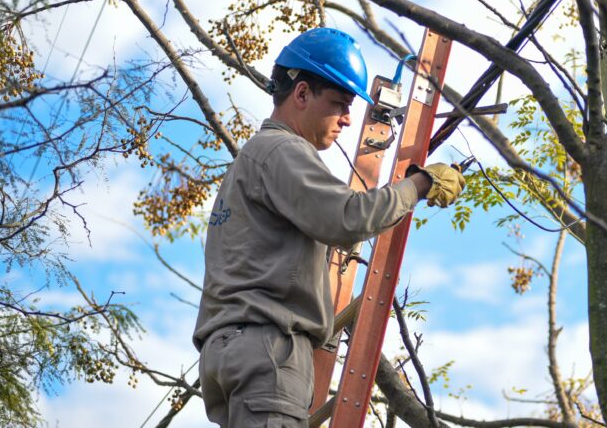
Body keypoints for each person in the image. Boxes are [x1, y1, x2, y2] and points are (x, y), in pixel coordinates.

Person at [192, 27, 466, 428]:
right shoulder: (282, 150)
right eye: (339, 103)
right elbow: (349, 218)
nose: (348, 118)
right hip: (268, 350)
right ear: (301, 94)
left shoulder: (253, 159)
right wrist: (420, 184)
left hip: (236, 351)